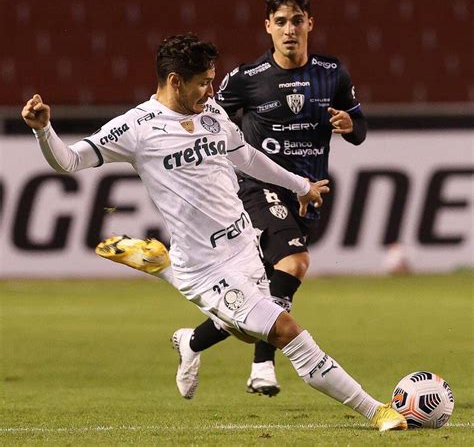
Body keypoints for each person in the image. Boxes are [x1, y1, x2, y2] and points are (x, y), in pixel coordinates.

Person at [22, 34, 405, 432]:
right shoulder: (135, 128)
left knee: (242, 331)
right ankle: (376, 410)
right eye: (203, 82)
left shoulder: (212, 114)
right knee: (284, 329)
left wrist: (299, 185)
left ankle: (185, 328)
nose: (211, 90)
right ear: (174, 82)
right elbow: (68, 161)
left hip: (243, 247)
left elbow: (246, 156)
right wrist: (43, 130)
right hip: (204, 268)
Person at [118, 0, 368, 397]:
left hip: (303, 189)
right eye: (282, 22)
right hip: (255, 186)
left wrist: (349, 125)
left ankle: (192, 341)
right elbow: (205, 119)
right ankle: (263, 366)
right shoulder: (247, 79)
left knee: (258, 296)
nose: (290, 30)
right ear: (268, 26)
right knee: (295, 262)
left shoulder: (332, 73)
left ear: (311, 24)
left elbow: (359, 128)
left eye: (298, 21)